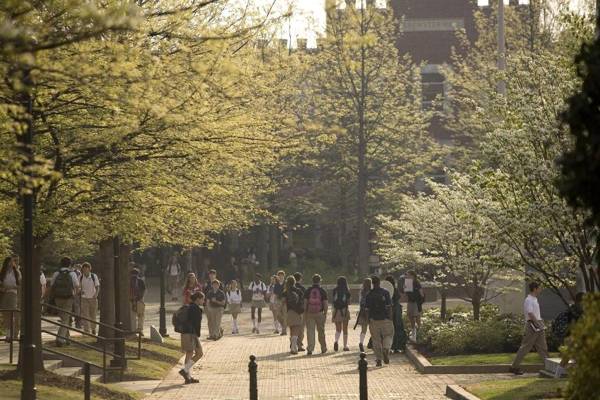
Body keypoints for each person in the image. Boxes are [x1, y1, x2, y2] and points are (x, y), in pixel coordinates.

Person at [509, 281, 549, 375]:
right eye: (539, 288)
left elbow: (535, 313)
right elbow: (530, 313)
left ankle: (549, 367)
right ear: (535, 289)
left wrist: (541, 323)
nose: (540, 289)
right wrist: (538, 324)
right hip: (532, 325)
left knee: (543, 347)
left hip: (538, 324)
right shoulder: (529, 300)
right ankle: (514, 367)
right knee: (525, 347)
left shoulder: (535, 299)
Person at [554, 292, 585, 378]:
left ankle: (557, 376)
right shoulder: (577, 311)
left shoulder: (574, 309)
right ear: (580, 301)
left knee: (567, 358)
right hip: (571, 337)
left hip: (572, 337)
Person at [365, 275, 394, 367]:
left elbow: (367, 309)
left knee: (376, 339)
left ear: (372, 284)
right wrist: (390, 317)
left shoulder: (369, 294)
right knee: (388, 335)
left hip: (374, 320)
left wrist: (368, 320)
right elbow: (389, 307)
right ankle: (386, 349)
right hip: (385, 318)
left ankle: (378, 359)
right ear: (379, 282)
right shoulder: (385, 292)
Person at [50, 257, 80, 346]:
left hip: (58, 298)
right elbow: (77, 286)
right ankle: (60, 339)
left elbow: (52, 285)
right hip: (68, 298)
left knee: (64, 318)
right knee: (65, 319)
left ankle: (67, 339)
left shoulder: (56, 273)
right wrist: (75, 295)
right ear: (70, 264)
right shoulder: (72, 274)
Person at [179, 292, 204, 384]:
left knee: (193, 353)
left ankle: (187, 374)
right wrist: (196, 334)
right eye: (202, 299)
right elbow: (195, 323)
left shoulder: (190, 306)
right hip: (190, 333)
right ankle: (186, 374)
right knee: (195, 353)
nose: (203, 301)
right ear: (198, 299)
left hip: (188, 333)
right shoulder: (194, 308)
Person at [304, 274, 328, 355]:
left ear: (312, 281)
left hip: (309, 313)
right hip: (320, 313)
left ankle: (310, 348)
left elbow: (305, 303)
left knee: (310, 331)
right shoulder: (322, 291)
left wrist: (305, 312)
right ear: (320, 281)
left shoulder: (308, 290)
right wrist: (325, 313)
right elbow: (325, 303)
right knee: (321, 331)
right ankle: (323, 347)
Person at [0, 256, 21, 340]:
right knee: (6, 315)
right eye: (9, 262)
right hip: (4, 295)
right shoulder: (3, 272)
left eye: (12, 262)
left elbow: (20, 285)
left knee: (12, 313)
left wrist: (13, 286)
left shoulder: (16, 272)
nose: (11, 263)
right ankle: (8, 334)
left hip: (13, 294)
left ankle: (12, 334)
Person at [283, 275, 305, 354]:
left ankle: (292, 346)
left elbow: (283, 302)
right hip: (297, 312)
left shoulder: (286, 291)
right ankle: (294, 348)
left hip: (289, 312)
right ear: (294, 282)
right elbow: (302, 301)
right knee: (296, 330)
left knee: (292, 330)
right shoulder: (299, 291)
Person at [386, 275, 407, 353]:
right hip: (397, 309)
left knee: (389, 329)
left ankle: (389, 346)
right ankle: (398, 346)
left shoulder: (385, 291)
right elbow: (398, 298)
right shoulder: (395, 290)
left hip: (388, 311)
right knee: (398, 327)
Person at [402, 270, 424, 342]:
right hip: (410, 302)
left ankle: (420, 333)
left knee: (417, 317)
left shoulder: (416, 283)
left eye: (408, 275)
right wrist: (405, 288)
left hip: (416, 302)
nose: (406, 276)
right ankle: (414, 333)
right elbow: (405, 293)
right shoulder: (408, 282)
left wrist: (420, 302)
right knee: (411, 317)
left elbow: (421, 294)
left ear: (412, 275)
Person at [79, 262, 100, 335]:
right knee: (85, 315)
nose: (85, 270)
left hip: (93, 298)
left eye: (86, 269)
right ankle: (86, 331)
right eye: (84, 269)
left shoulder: (94, 276)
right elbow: (79, 287)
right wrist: (80, 291)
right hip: (84, 298)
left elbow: (97, 287)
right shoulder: (81, 277)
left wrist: (96, 295)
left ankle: (93, 329)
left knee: (93, 314)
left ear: (89, 269)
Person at [332, 276, 351, 352]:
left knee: (338, 329)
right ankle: (345, 346)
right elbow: (349, 302)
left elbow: (333, 300)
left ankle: (336, 341)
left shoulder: (334, 290)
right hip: (344, 310)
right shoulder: (347, 290)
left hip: (336, 310)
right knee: (345, 329)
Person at [355, 278, 372, 353]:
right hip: (371, 312)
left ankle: (361, 342)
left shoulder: (362, 292)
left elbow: (360, 302)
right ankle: (372, 342)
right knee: (373, 329)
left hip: (363, 312)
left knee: (363, 329)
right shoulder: (372, 292)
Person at [129, 268, 146, 335]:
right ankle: (139, 329)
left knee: (133, 316)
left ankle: (134, 330)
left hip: (133, 300)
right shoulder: (140, 281)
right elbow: (143, 290)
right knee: (140, 315)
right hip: (138, 300)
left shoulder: (129, 281)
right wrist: (140, 298)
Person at [293, 272, 306, 351]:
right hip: (301, 310)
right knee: (301, 328)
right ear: (300, 279)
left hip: (292, 310)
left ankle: (293, 344)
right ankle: (299, 345)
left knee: (293, 328)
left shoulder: (290, 287)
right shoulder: (302, 288)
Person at [274, 270, 287, 335]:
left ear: (284, 276)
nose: (281, 277)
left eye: (282, 276)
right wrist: (275, 302)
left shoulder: (286, 283)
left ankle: (284, 330)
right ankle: (283, 326)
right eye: (280, 276)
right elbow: (275, 294)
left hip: (285, 301)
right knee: (278, 315)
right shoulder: (276, 284)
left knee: (284, 315)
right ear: (278, 277)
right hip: (278, 301)